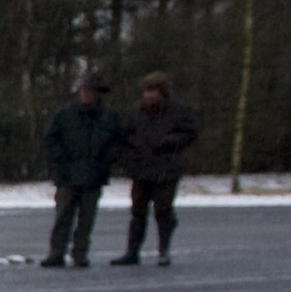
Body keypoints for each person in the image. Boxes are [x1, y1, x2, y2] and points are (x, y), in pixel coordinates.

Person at [112, 71, 199, 267]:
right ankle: (132, 252)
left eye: (154, 91)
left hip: (166, 169)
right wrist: (128, 157)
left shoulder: (179, 111)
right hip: (141, 169)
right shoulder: (136, 112)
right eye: (147, 91)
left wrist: (169, 143)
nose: (149, 95)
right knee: (137, 211)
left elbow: (190, 133)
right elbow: (124, 137)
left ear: (163, 92)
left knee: (163, 211)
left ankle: (164, 250)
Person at [42, 72, 124, 268]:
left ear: (97, 94)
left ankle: (80, 253)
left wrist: (107, 161)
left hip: (94, 175)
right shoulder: (65, 115)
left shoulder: (109, 117)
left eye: (89, 91)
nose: (85, 94)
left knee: (86, 219)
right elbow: (51, 138)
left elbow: (118, 142)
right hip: (67, 175)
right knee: (63, 216)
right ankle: (57, 252)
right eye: (83, 90)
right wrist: (60, 159)